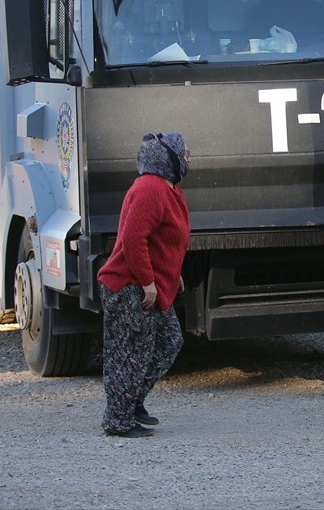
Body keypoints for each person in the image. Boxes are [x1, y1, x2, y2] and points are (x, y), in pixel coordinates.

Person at [97, 132, 192, 437]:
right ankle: (118, 419)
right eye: (185, 154)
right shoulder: (150, 188)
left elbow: (163, 240)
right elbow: (133, 240)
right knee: (129, 353)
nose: (189, 159)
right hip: (129, 287)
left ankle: (131, 401)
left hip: (146, 285)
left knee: (168, 341)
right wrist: (149, 282)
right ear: (170, 158)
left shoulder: (169, 189)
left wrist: (170, 272)